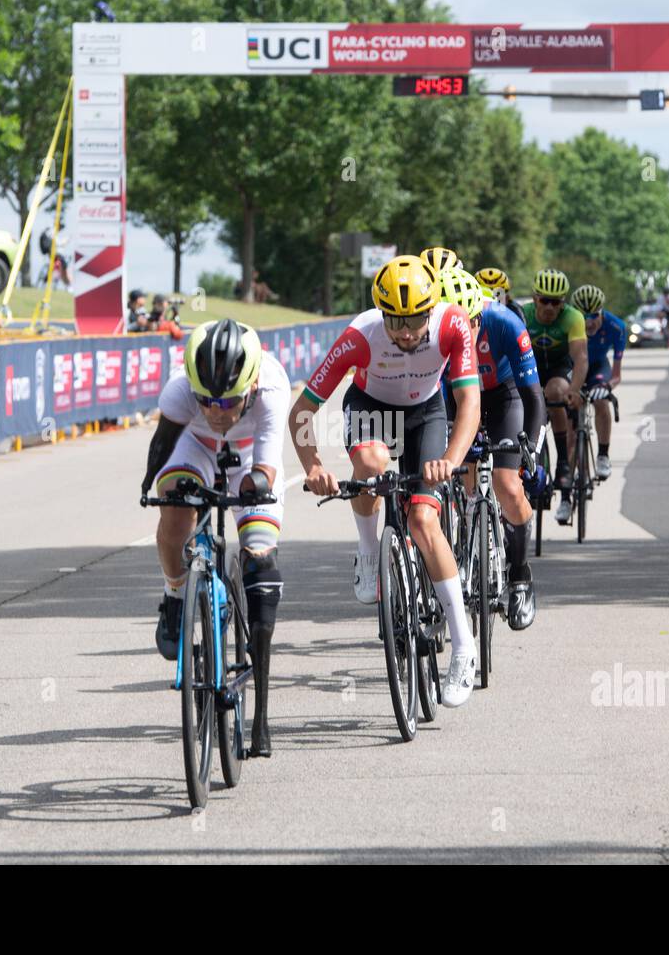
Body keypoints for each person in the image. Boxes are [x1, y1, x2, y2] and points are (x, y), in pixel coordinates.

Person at [289, 254, 482, 707]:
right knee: (373, 467)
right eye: (396, 320)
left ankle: (463, 648)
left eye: (416, 319)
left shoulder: (454, 325)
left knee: (423, 521)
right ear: (382, 314)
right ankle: (369, 551)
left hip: (427, 412)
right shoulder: (362, 335)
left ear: (431, 310)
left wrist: (451, 459)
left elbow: (468, 402)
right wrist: (314, 466)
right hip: (371, 407)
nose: (407, 331)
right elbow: (303, 411)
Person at [141, 319, 289, 757]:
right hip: (197, 448)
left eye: (228, 400)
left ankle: (260, 715)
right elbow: (162, 447)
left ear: (252, 383)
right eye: (207, 400)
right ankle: (175, 596)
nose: (217, 411)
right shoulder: (179, 391)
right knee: (173, 508)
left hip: (250, 460)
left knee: (260, 556)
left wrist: (252, 494)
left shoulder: (273, 388)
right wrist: (152, 485)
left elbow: (264, 467)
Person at [438, 269, 546, 630]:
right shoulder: (437, 332)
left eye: (469, 323)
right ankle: (469, 532)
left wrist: (528, 444)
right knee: (467, 482)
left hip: (504, 394)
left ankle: (519, 576)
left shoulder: (505, 323)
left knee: (507, 484)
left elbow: (533, 394)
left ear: (479, 314)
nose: (462, 331)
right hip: (457, 395)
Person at [522, 268, 588, 521]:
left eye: (556, 302)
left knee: (556, 392)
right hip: (532, 365)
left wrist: (574, 390)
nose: (550, 307)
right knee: (530, 396)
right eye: (544, 300)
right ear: (535, 298)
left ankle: (562, 463)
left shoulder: (572, 318)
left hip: (560, 366)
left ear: (563, 303)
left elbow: (580, 358)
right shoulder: (525, 315)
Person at [571, 284, 624, 481]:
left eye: (594, 315)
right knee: (569, 411)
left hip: (598, 367)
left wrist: (607, 387)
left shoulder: (616, 327)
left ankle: (603, 455)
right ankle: (573, 472)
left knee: (601, 402)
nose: (588, 322)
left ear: (602, 312)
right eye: (583, 317)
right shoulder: (568, 322)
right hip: (573, 365)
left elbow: (617, 375)